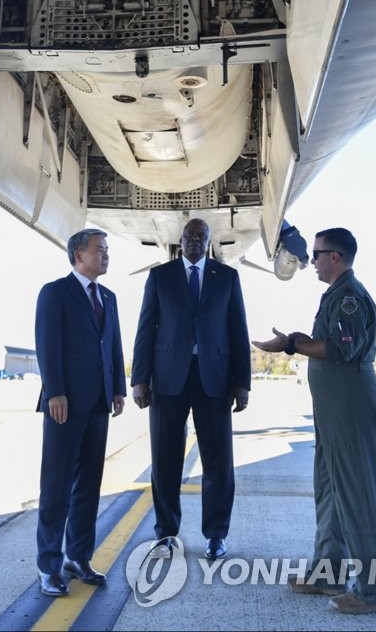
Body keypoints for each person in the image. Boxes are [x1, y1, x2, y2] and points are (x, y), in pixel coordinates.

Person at [253, 227, 376, 615]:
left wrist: (292, 344)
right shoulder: (335, 294)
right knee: (330, 491)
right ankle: (328, 572)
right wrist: (296, 340)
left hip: (351, 406)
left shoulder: (349, 297)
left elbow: (338, 350)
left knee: (360, 497)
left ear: (336, 257)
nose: (310, 260)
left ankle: (375, 591)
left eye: (316, 254)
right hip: (334, 411)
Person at [131, 217, 251, 560]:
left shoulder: (226, 277)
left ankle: (216, 535)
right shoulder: (160, 277)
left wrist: (242, 382)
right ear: (180, 240)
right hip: (167, 379)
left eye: (201, 235)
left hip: (214, 378)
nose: (195, 240)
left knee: (218, 463)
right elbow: (145, 329)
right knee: (165, 460)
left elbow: (238, 331)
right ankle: (166, 533)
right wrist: (140, 379)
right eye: (189, 235)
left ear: (209, 241)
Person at [34, 228, 126, 597]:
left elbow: (114, 344)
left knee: (89, 485)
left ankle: (78, 557)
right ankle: (48, 566)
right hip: (65, 404)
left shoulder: (109, 297)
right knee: (56, 486)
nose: (105, 255)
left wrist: (118, 387)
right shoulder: (55, 292)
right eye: (99, 250)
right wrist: (54, 391)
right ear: (78, 255)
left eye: (106, 249)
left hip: (99, 402)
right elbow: (47, 345)